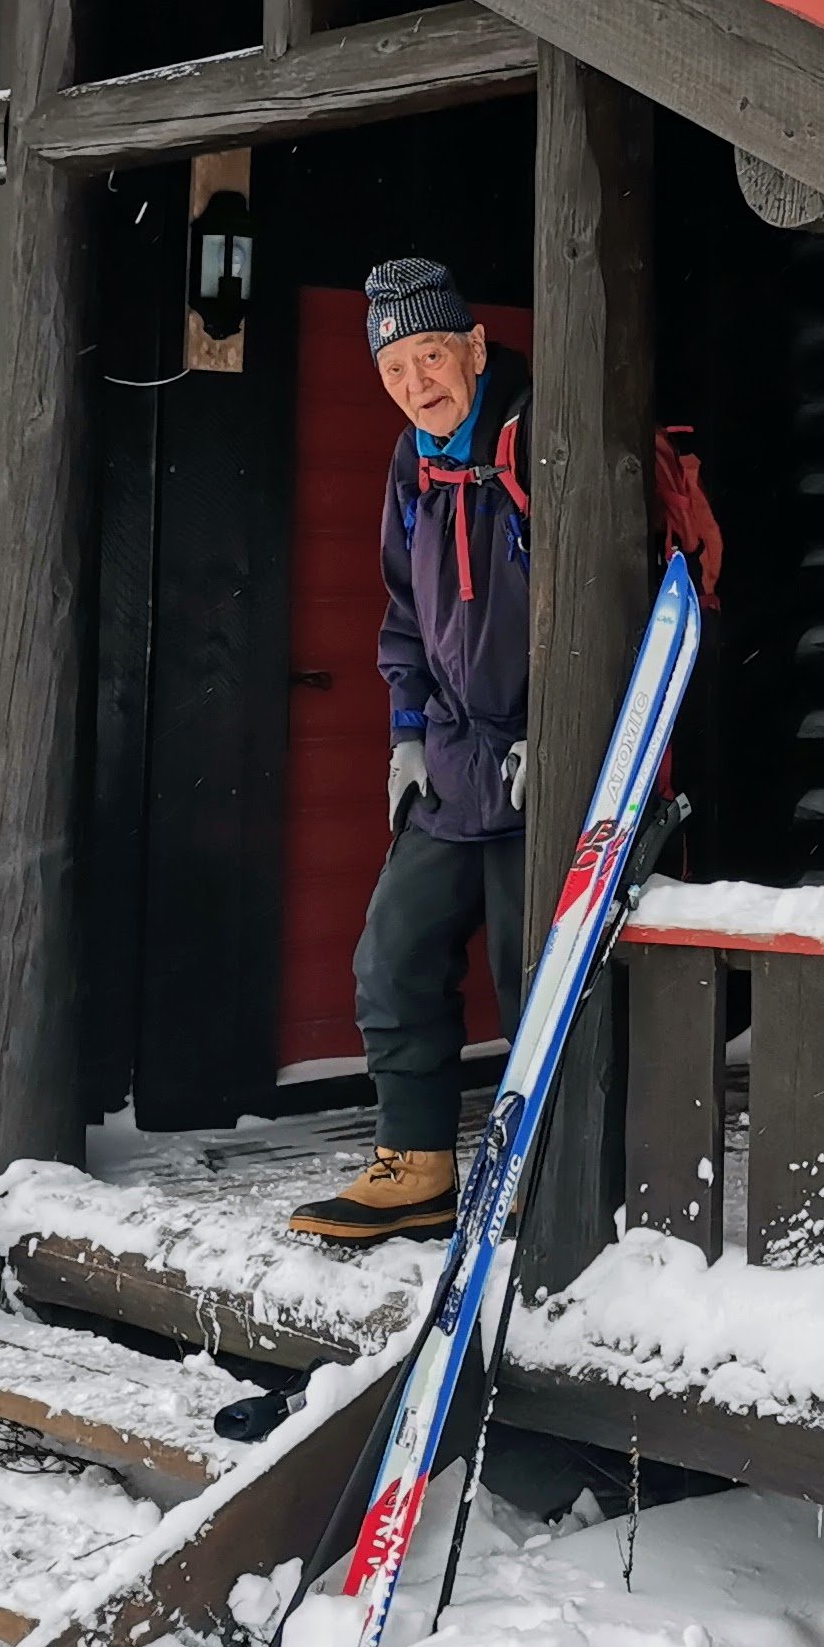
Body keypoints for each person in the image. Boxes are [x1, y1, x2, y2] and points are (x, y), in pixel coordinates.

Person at [285, 257, 534, 1245]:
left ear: (473, 347)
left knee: (537, 980)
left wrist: (563, 728)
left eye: (432, 357)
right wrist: (403, 736)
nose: (418, 383)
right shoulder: (411, 461)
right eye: (397, 370)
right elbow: (404, 612)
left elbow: (602, 598)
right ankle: (420, 1166)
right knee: (392, 955)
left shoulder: (536, 438)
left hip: (536, 757)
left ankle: (548, 1177)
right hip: (450, 757)